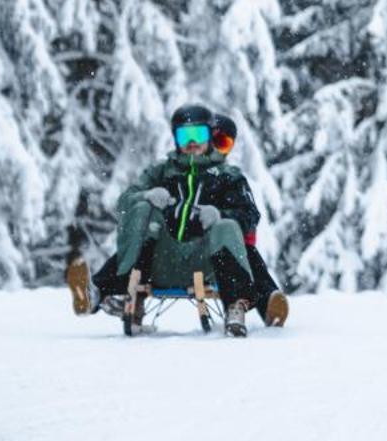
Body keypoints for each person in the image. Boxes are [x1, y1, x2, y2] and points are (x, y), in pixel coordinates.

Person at [72, 103, 260, 336]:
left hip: (208, 261)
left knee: (226, 226)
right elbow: (124, 203)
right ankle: (96, 293)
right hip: (160, 260)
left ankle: (235, 306)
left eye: (198, 134)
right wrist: (146, 195)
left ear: (211, 136)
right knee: (143, 211)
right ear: (175, 139)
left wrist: (220, 214)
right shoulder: (162, 172)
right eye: (184, 136)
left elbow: (250, 215)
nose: (192, 142)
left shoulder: (227, 176)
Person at [207, 113, 290, 328]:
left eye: (223, 144)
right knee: (243, 254)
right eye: (213, 141)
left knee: (245, 253)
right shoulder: (184, 174)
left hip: (221, 249)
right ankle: (266, 296)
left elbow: (249, 214)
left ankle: (269, 303)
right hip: (187, 248)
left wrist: (223, 218)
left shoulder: (230, 178)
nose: (216, 149)